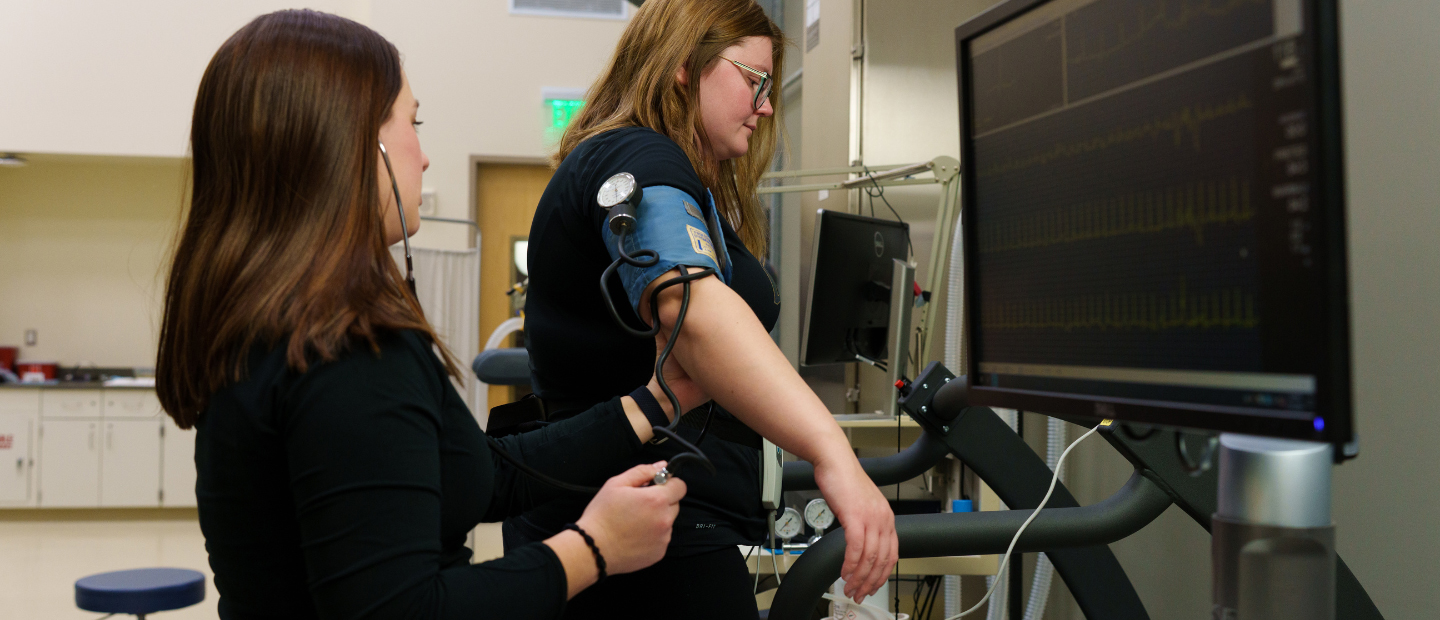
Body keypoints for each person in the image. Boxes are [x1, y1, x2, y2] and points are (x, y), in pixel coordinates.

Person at [155, 10, 705, 619]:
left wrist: (650, 402)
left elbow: (474, 474)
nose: (423, 158)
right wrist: (594, 549)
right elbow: (403, 608)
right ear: (357, 143)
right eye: (412, 123)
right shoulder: (342, 346)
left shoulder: (266, 321)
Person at [519, 0, 899, 617]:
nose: (768, 105)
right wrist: (834, 456)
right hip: (639, 526)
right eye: (755, 80)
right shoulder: (635, 156)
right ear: (683, 66)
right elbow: (687, 312)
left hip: (662, 520)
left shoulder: (675, 179)